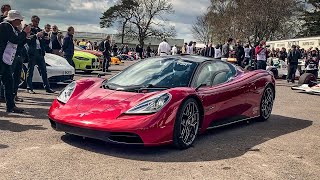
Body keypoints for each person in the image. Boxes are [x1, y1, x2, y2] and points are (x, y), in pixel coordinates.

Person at [0, 10, 31, 113]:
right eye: (19, 19)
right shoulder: (5, 26)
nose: (21, 21)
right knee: (8, 81)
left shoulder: (12, 27)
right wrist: (24, 32)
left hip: (6, 59)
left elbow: (19, 43)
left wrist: (25, 36)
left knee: (9, 82)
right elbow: (15, 40)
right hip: (2, 58)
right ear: (14, 19)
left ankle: (11, 106)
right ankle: (10, 106)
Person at [26, 15, 55, 94]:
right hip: (32, 52)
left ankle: (47, 87)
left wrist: (46, 40)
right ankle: (29, 87)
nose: (37, 23)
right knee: (30, 70)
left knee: (44, 71)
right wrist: (36, 36)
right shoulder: (28, 28)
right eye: (35, 21)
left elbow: (44, 43)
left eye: (38, 22)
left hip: (40, 52)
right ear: (32, 21)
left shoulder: (40, 30)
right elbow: (27, 39)